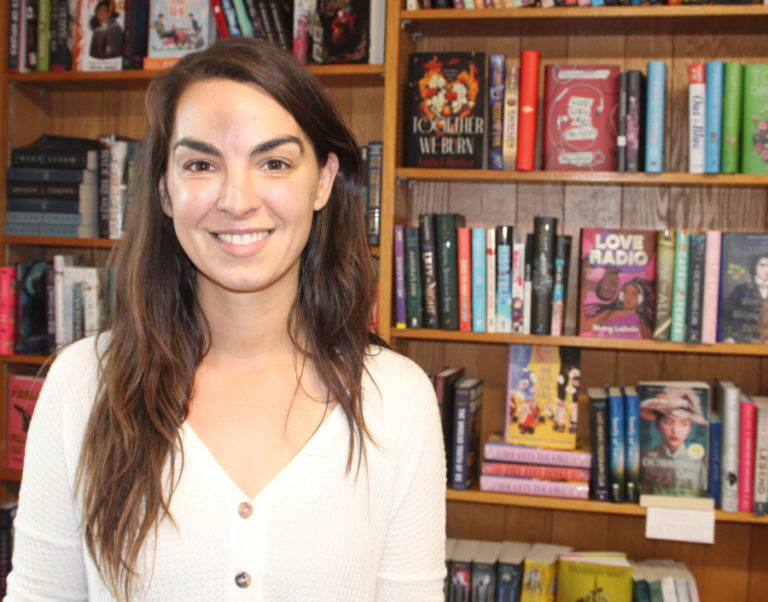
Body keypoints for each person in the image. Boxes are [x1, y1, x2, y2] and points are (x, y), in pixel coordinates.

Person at [7, 38, 446, 600]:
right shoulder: (81, 386)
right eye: (200, 164)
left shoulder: (397, 401)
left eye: (274, 162)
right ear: (164, 189)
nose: (236, 200)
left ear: (323, 180)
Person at [638, 387, 708, 494]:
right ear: (657, 424)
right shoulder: (643, 459)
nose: (675, 431)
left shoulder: (700, 464)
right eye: (668, 422)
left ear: (690, 427)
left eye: (683, 424)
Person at [582, 277, 654, 338]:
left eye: (634, 294)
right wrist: (582, 295)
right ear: (621, 296)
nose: (628, 297)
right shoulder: (609, 313)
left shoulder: (643, 321)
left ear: (640, 298)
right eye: (625, 292)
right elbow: (584, 327)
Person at [721, 253, 768, 343]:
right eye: (762, 265)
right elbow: (727, 314)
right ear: (754, 267)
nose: (767, 270)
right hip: (744, 339)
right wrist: (729, 336)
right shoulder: (741, 289)